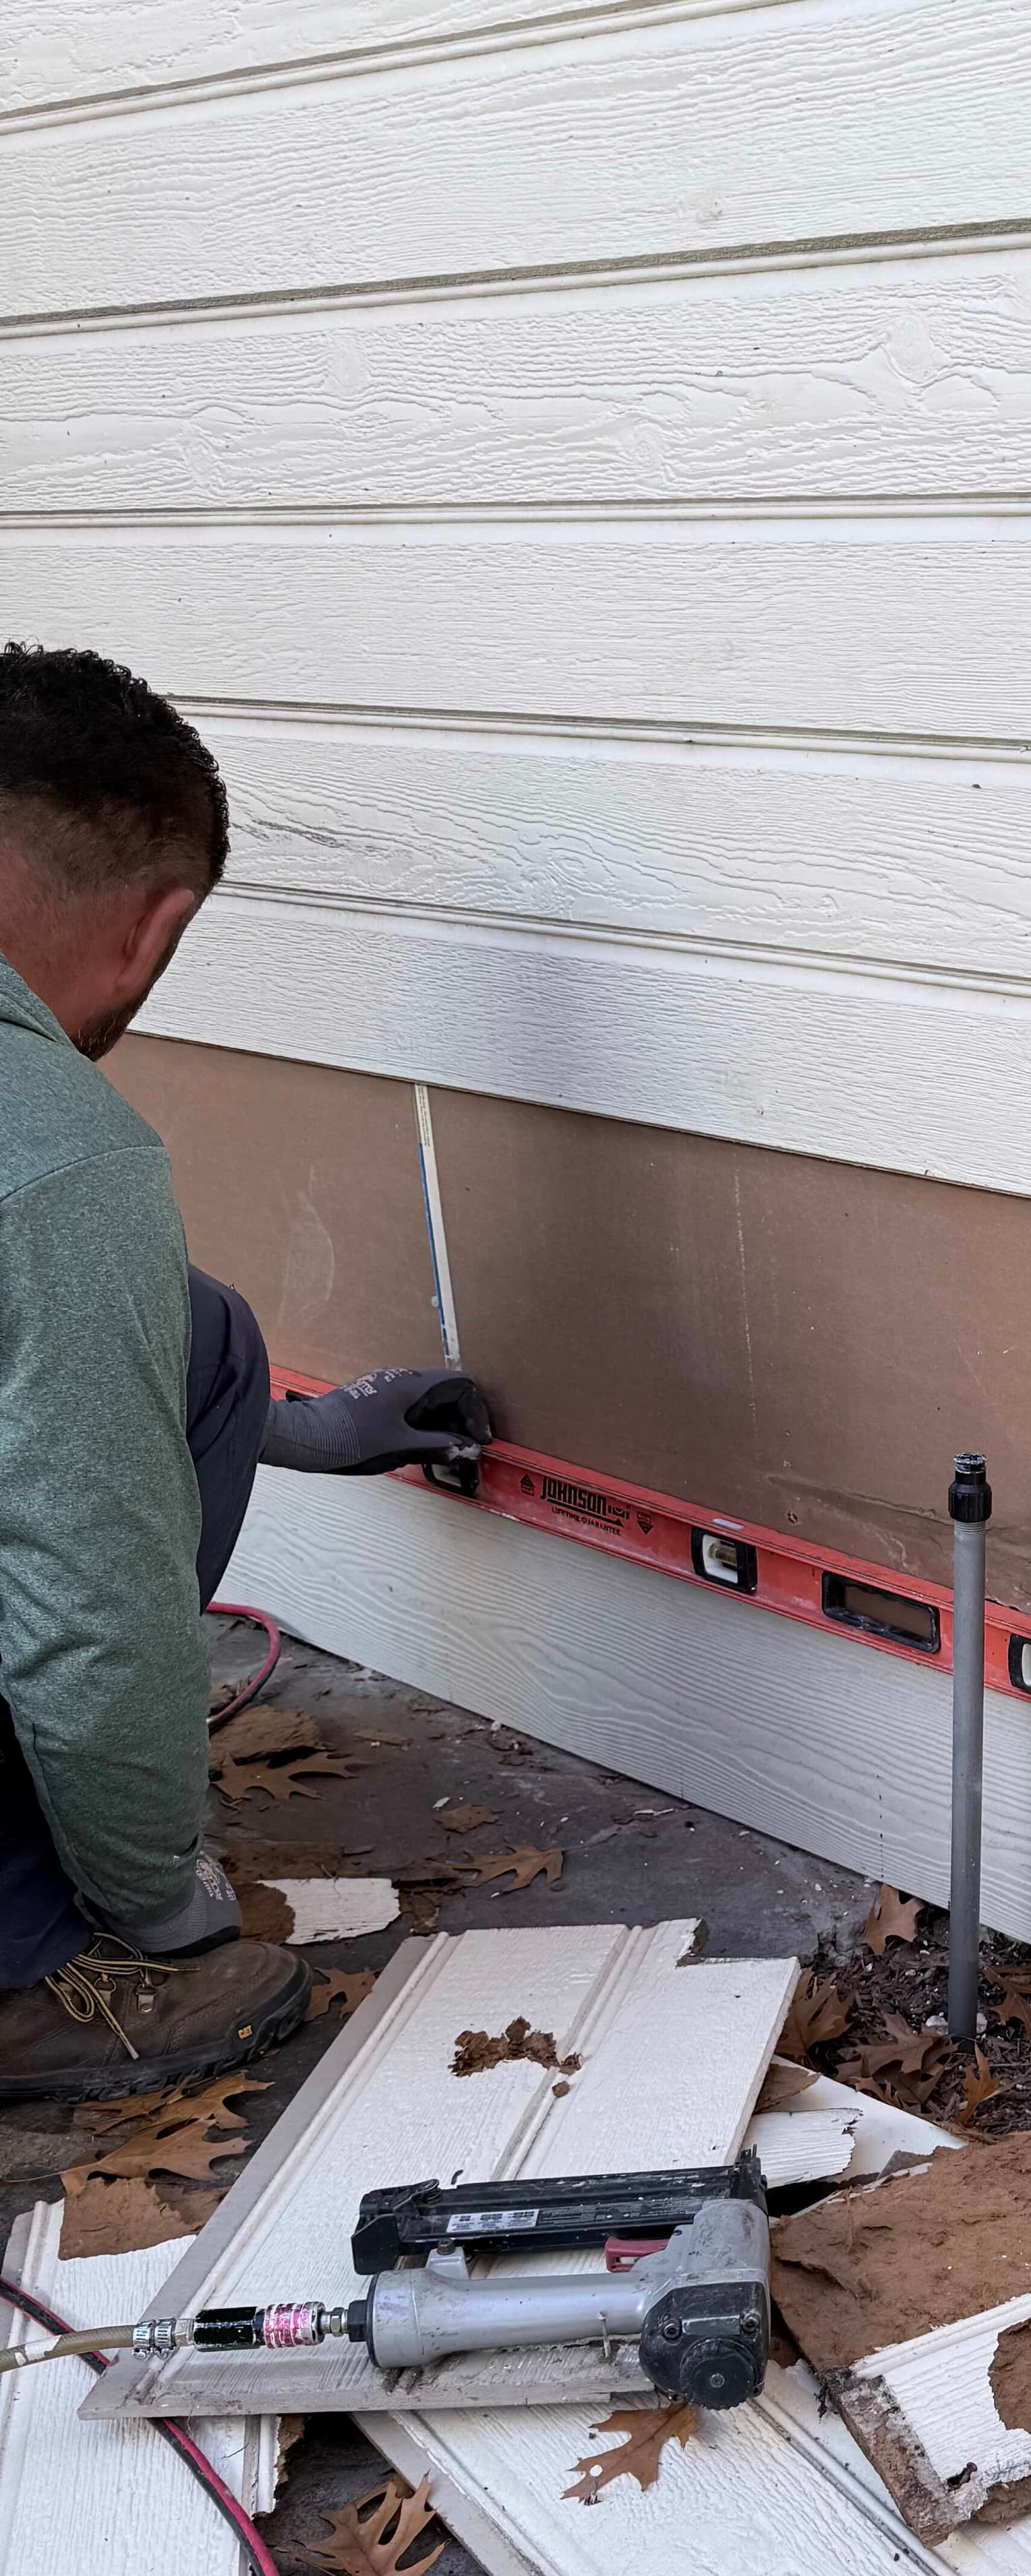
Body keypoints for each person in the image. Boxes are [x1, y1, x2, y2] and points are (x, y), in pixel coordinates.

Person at [0, 642, 490, 2095]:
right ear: (152, 932)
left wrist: (285, 1420)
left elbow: (57, 1340)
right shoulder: (54, 1147)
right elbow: (85, 1600)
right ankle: (21, 1967)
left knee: (195, 1330)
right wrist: (156, 1900)